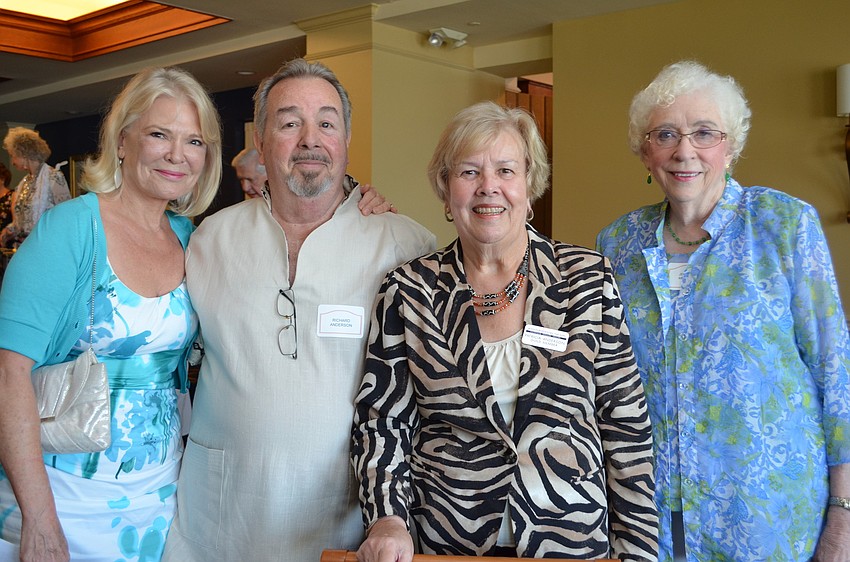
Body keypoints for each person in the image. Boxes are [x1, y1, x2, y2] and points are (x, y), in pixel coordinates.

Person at [352, 101, 658, 561]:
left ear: (529, 186)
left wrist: (637, 550)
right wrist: (388, 519)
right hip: (449, 538)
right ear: (446, 189)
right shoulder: (408, 289)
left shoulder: (587, 279)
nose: (488, 187)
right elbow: (383, 422)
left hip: (570, 539)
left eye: (506, 170)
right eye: (469, 172)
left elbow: (625, 423)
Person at [162, 58, 435, 562]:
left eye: (326, 123)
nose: (311, 139)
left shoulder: (406, 246)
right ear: (261, 142)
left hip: (344, 528)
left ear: (346, 138)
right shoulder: (209, 240)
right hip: (219, 521)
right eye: (289, 123)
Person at [596, 60, 850, 562]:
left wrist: (843, 512)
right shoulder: (617, 243)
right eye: (665, 134)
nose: (683, 151)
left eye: (704, 133)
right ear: (645, 152)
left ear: (731, 146)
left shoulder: (784, 225)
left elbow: (834, 370)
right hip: (646, 516)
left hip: (766, 515)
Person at [0, 66, 222, 561]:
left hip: (161, 493)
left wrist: (361, 200)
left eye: (194, 141)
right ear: (123, 142)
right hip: (62, 495)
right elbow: (7, 373)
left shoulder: (191, 238)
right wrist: (39, 518)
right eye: (159, 134)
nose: (176, 155)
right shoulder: (71, 229)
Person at [1, 127, 71, 248]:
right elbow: (22, 222)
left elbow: (66, 215)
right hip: (24, 247)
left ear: (23, 154)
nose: (12, 161)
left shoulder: (53, 177)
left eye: (13, 156)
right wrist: (8, 231)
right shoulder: (25, 182)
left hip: (46, 246)